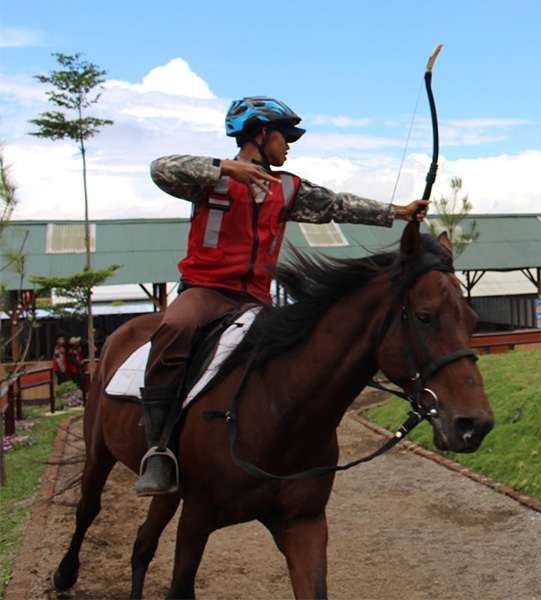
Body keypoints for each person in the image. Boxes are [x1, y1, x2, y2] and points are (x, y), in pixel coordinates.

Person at [136, 96, 429, 495]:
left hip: (255, 300)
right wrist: (225, 167)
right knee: (175, 325)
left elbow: (338, 205)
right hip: (205, 292)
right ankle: (157, 451)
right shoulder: (207, 178)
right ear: (260, 134)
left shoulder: (288, 188)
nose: (289, 144)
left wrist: (400, 212)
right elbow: (159, 169)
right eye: (284, 136)